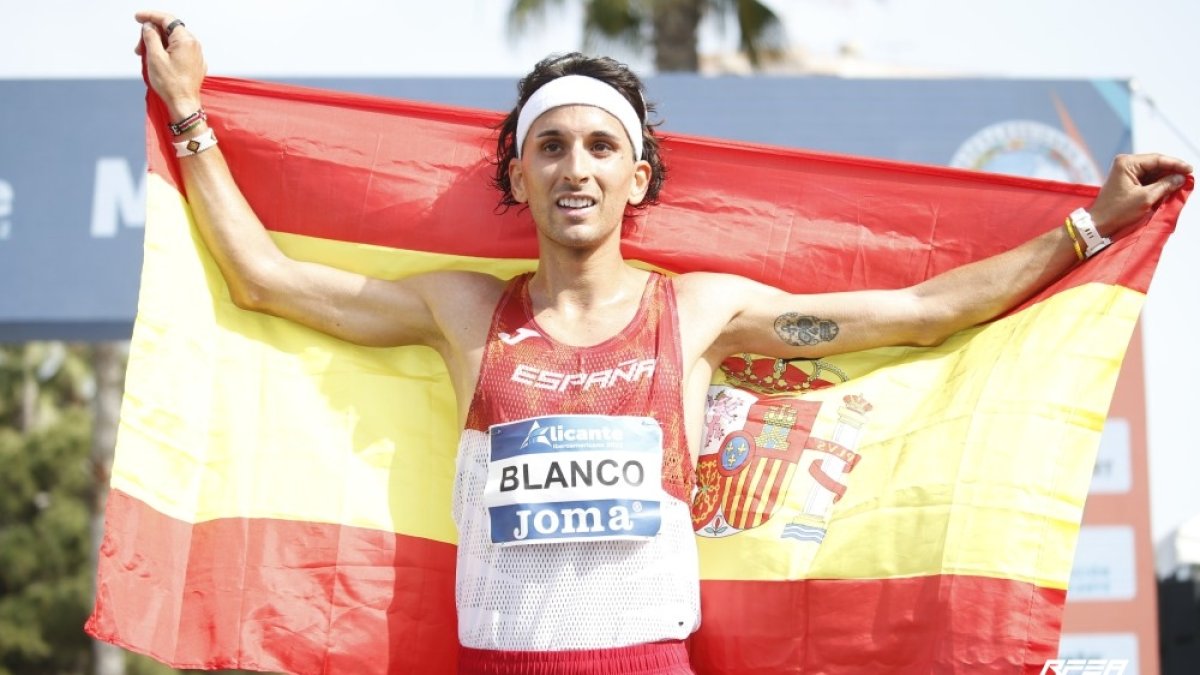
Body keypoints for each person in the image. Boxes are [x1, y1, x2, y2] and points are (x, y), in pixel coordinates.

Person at [134, 9, 1191, 675]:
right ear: (517, 179)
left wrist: (1087, 228)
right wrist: (191, 119)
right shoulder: (464, 311)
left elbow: (921, 313)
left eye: (602, 145)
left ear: (637, 178)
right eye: (549, 147)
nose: (575, 166)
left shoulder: (701, 313)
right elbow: (264, 280)